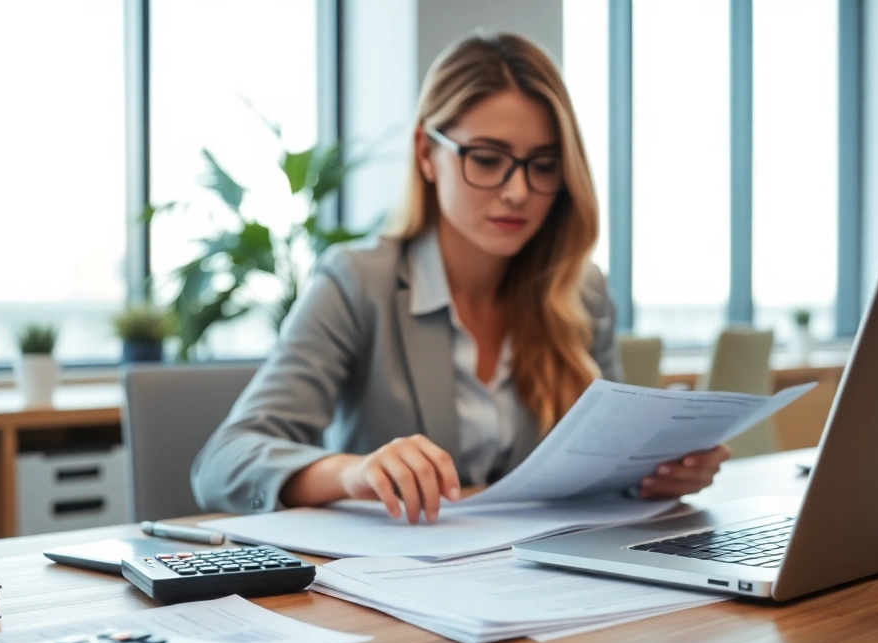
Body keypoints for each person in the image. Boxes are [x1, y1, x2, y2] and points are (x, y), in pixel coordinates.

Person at [191, 32, 731, 524]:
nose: (518, 191)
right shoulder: (358, 282)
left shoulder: (579, 291)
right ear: (427, 154)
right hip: (390, 579)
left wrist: (656, 474)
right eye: (488, 159)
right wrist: (353, 472)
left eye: (543, 165)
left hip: (534, 576)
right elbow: (223, 462)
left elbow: (601, 471)